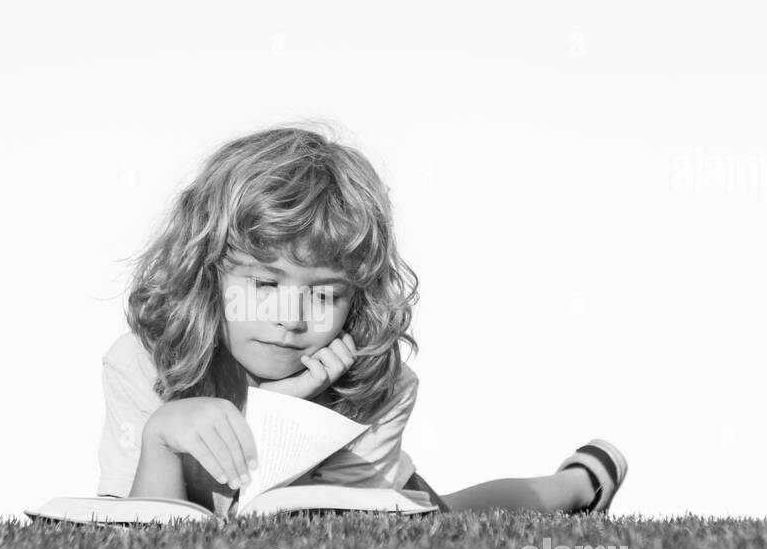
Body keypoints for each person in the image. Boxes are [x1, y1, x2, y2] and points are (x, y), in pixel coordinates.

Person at [96, 123, 627, 518]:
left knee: (455, 516)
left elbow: (336, 532)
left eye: (325, 294)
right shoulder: (143, 364)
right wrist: (162, 436)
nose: (291, 320)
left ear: (357, 299)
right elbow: (144, 537)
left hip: (380, 497)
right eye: (264, 284)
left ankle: (579, 484)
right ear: (206, 270)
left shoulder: (375, 384)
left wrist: (287, 413)